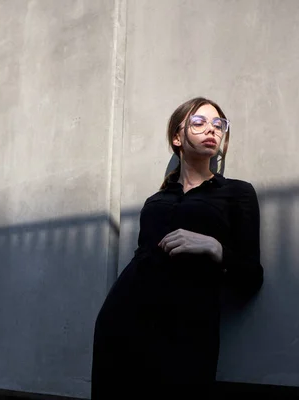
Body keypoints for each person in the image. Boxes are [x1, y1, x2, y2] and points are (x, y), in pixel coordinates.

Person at [91, 97, 264, 398]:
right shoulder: (155, 201)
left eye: (218, 124)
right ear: (177, 137)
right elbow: (143, 260)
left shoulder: (237, 193)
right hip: (125, 320)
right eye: (199, 122)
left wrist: (215, 248)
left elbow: (251, 277)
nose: (211, 129)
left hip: (187, 329)